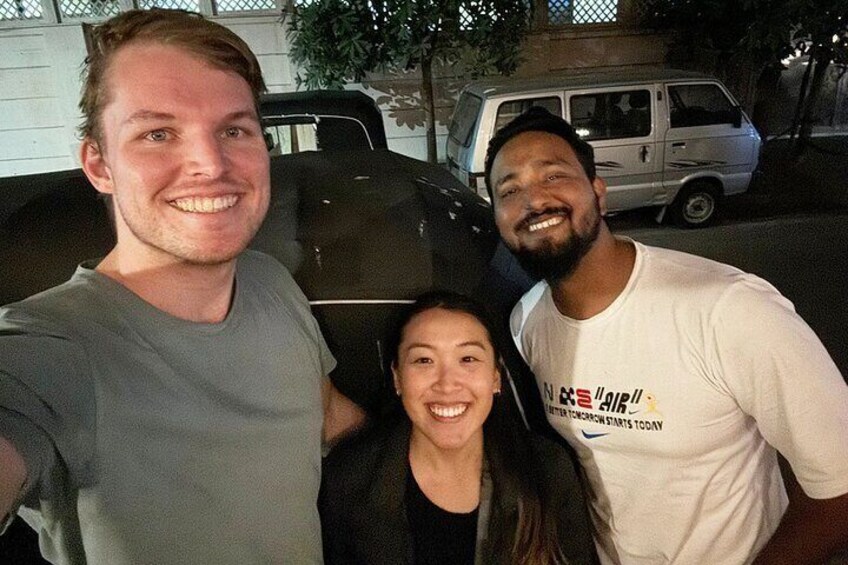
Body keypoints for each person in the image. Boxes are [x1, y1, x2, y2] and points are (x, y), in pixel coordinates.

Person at [0, 9, 362, 564]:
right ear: (99, 165)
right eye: (158, 134)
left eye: (233, 130)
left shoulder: (269, 282)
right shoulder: (50, 352)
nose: (210, 164)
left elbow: (329, 417)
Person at [484, 107, 848, 564]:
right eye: (509, 190)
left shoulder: (728, 308)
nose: (534, 200)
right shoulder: (527, 322)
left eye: (554, 176)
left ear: (599, 193)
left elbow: (838, 486)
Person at [319, 291, 598, 565]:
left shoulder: (546, 470)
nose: (447, 384)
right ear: (397, 378)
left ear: (495, 377)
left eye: (467, 359)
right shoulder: (349, 481)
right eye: (424, 360)